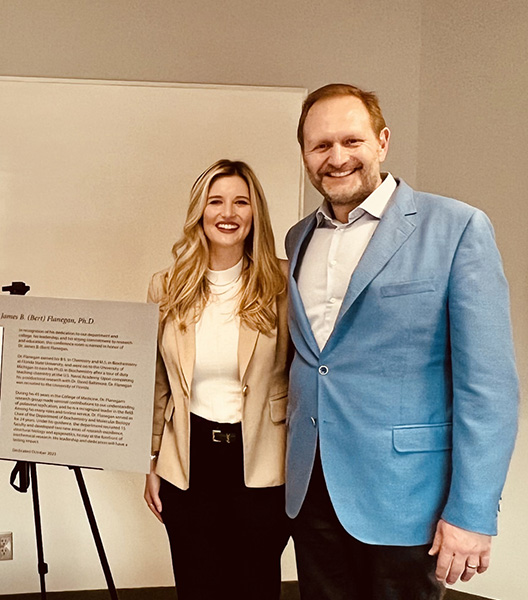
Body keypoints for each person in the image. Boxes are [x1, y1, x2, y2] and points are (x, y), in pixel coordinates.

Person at [285, 83, 519, 599]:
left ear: (383, 141)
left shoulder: (456, 227)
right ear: (304, 153)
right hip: (314, 491)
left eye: (352, 141)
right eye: (320, 146)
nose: (336, 157)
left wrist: (473, 512)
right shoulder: (298, 238)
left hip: (407, 500)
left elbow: (490, 389)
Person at [144, 159, 290, 599]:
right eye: (216, 201)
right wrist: (149, 463)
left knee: (255, 587)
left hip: (262, 462)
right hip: (187, 463)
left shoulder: (282, 282)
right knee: (196, 586)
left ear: (254, 212)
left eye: (241, 202)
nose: (228, 213)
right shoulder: (166, 286)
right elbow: (157, 382)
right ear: (200, 212)